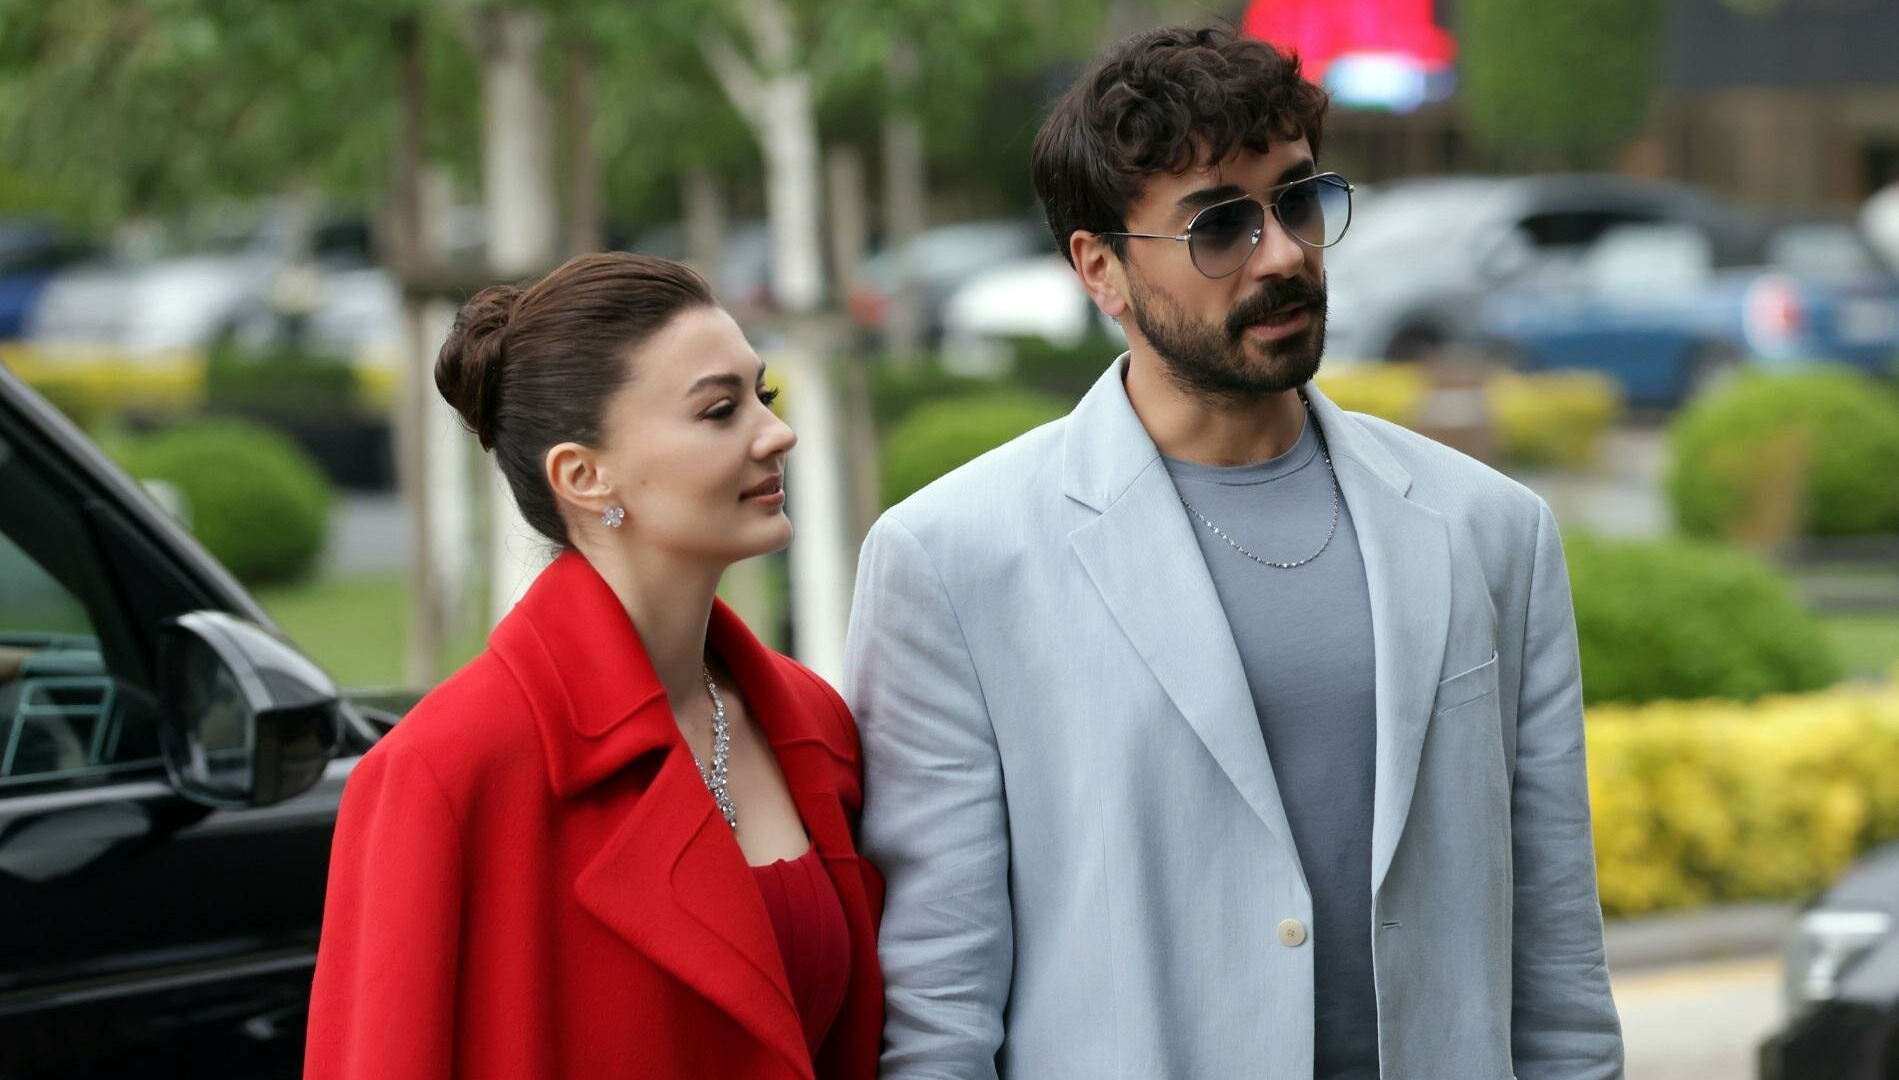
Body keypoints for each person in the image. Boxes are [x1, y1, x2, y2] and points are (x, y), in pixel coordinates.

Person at [845, 26, 1623, 1080]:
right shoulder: (953, 558)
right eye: (1220, 224)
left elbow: (1558, 955)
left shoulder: (1490, 527)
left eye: (1297, 200)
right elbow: (938, 1001)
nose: (1285, 253)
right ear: (1102, 270)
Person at [306, 253, 883, 1080]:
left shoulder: (813, 721)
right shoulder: (445, 771)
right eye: (721, 409)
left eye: (766, 395)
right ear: (583, 476)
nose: (776, 432)